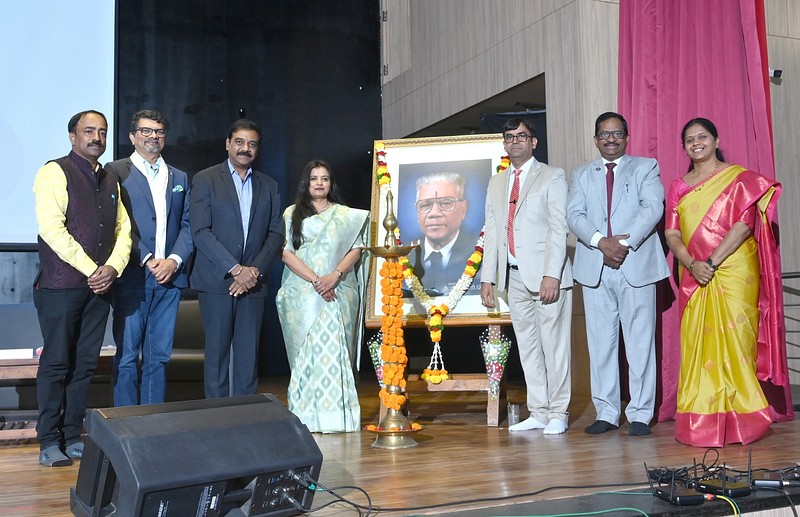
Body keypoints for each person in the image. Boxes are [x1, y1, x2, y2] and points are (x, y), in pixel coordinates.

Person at [664, 117, 794, 447]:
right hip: (694, 274)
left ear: (716, 141)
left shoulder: (739, 180)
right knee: (698, 346)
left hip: (734, 269)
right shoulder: (679, 187)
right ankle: (702, 420)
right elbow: (672, 233)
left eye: (702, 137)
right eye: (689, 139)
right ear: (684, 147)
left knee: (737, 339)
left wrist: (711, 262)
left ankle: (745, 419)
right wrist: (692, 264)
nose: (696, 143)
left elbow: (744, 225)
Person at [32, 110, 132, 466]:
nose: (97, 138)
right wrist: (94, 270)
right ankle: (49, 440)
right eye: (89, 131)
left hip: (99, 288)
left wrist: (112, 268)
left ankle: (72, 434)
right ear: (73, 137)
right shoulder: (54, 171)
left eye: (102, 132)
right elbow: (52, 229)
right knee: (57, 363)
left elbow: (123, 231)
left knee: (85, 364)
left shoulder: (109, 179)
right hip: (61, 287)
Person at [566, 112, 670, 437]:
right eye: (604, 134)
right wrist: (601, 242)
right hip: (595, 266)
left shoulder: (645, 167)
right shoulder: (582, 174)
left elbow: (653, 208)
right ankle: (607, 412)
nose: (610, 139)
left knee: (640, 343)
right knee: (601, 344)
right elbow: (574, 214)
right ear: (595, 140)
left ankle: (640, 413)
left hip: (634, 264)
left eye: (616, 134)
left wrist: (621, 245)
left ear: (626, 137)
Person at [480, 117, 573, 435]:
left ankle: (559, 412)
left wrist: (552, 274)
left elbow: (558, 227)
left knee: (554, 346)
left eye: (521, 136)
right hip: (513, 276)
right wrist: (488, 277)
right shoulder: (496, 182)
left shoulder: (552, 175)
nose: (515, 141)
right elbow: (492, 231)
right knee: (528, 346)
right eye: (509, 137)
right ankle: (539, 411)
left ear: (534, 142)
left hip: (547, 276)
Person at [190, 119, 284, 398]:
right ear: (227, 144)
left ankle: (245, 416)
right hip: (217, 281)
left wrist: (253, 271)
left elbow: (276, 233)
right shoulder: (206, 179)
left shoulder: (268, 185)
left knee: (247, 359)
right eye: (240, 142)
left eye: (252, 144)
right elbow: (200, 230)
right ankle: (216, 418)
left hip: (254, 283)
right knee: (217, 358)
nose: (245, 148)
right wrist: (234, 269)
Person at [105, 110, 193, 406]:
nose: (153, 136)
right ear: (132, 136)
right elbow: (115, 223)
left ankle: (153, 421)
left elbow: (188, 225)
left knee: (159, 356)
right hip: (133, 276)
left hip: (170, 278)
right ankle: (125, 423)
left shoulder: (179, 176)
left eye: (159, 131)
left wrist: (174, 260)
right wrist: (147, 258)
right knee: (128, 355)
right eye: (146, 131)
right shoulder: (116, 170)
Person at [276, 160, 369, 433]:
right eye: (314, 178)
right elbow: (286, 253)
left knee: (335, 353)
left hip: (338, 292)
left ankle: (338, 419)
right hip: (303, 295)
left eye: (324, 178)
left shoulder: (345, 215)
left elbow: (356, 249)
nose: (319, 183)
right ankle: (305, 419)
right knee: (307, 355)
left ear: (331, 183)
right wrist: (317, 280)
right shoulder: (292, 213)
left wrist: (334, 276)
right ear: (306, 183)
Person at [407, 172, 477, 296]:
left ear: (463, 209)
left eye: (445, 203)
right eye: (425, 205)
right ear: (417, 214)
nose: (434, 213)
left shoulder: (480, 253)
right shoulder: (405, 255)